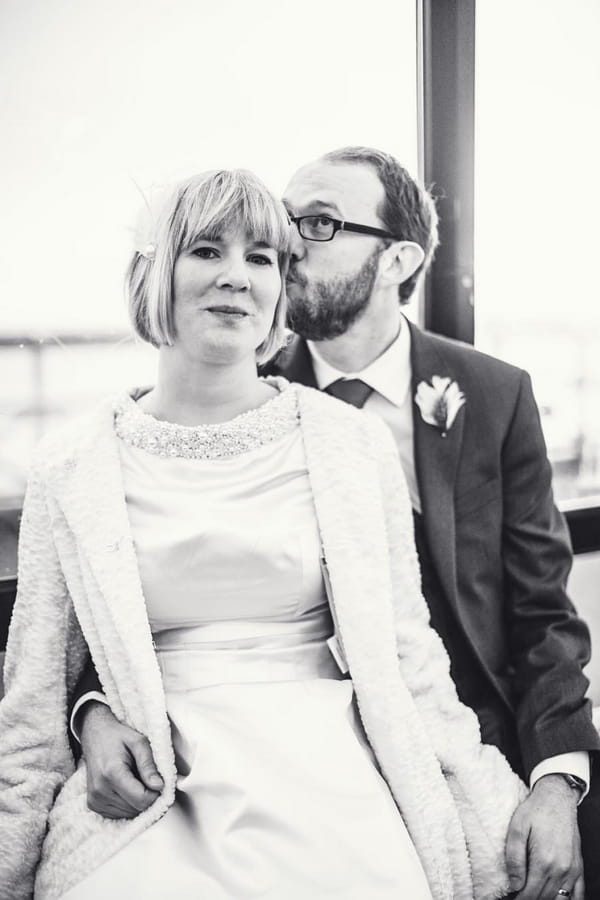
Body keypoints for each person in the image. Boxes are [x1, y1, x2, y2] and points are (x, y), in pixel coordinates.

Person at [71, 149, 599, 900]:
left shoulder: (494, 393)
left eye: (318, 224)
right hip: (301, 733)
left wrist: (557, 780)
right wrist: (89, 709)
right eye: (286, 224)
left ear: (398, 259)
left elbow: (543, 612)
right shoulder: (237, 385)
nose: (286, 247)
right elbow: (131, 578)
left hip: (473, 722)